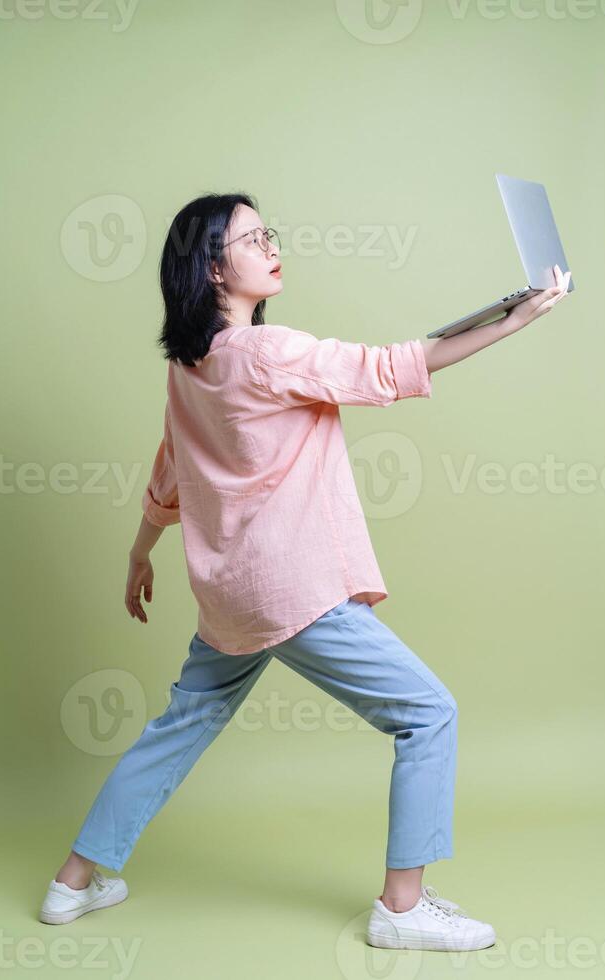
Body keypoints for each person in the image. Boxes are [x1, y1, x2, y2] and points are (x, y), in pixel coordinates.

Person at [39, 192, 571, 947]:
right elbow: (386, 370)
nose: (272, 246)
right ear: (215, 266)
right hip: (294, 592)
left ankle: (71, 886)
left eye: (269, 233)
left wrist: (139, 551)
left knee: (178, 728)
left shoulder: (193, 366)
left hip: (230, 599)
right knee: (428, 713)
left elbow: (170, 469)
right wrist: (511, 322)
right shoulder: (268, 350)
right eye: (253, 239)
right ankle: (402, 909)